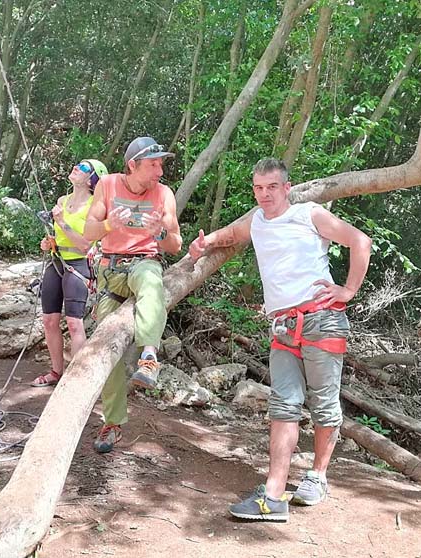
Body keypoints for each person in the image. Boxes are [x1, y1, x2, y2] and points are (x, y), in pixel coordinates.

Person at [189, 158, 371, 521]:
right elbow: (228, 235)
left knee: (323, 404)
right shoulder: (256, 220)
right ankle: (273, 494)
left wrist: (349, 289)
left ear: (286, 188)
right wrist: (202, 245)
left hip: (322, 320)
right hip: (283, 327)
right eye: (257, 188)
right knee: (284, 404)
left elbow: (359, 240)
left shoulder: (308, 214)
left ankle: (317, 476)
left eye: (271, 187)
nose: (264, 194)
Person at [83, 136, 183, 453]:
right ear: (133, 165)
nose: (160, 171)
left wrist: (160, 232)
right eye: (153, 164)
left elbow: (175, 245)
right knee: (107, 349)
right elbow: (88, 232)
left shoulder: (163, 194)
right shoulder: (109, 185)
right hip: (111, 271)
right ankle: (112, 423)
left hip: (144, 263)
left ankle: (149, 357)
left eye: (161, 164)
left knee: (152, 282)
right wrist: (109, 224)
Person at [31, 159, 109, 387]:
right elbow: (59, 237)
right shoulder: (62, 202)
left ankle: (76, 382)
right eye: (77, 165)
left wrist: (63, 223)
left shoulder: (95, 206)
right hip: (57, 262)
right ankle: (56, 372)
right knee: (49, 320)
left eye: (84, 168)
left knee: (74, 323)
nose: (76, 168)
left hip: (78, 265)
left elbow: (86, 245)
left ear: (92, 180)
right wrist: (49, 243)